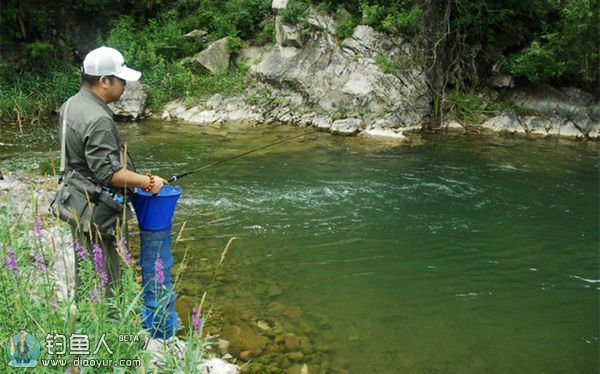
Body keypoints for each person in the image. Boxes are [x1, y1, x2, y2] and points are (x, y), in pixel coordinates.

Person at [58, 46, 167, 299]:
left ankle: (87, 325)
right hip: (98, 214)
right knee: (108, 279)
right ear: (104, 81)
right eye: (121, 79)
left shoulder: (71, 105)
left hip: (76, 204)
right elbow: (109, 174)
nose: (125, 85)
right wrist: (149, 181)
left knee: (87, 272)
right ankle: (108, 333)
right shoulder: (99, 119)